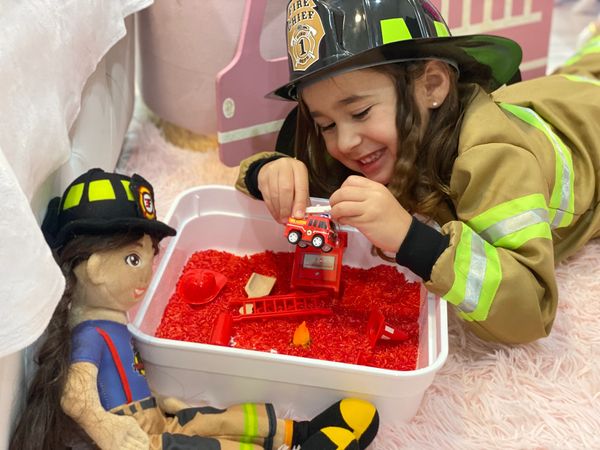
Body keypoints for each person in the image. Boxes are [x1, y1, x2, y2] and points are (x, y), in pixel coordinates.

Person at [235, 0, 600, 344]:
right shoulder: (375, 138)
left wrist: (412, 240)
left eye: (360, 113)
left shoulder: (494, 160)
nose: (344, 142)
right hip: (558, 93)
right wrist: (269, 171)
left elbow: (532, 308)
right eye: (326, 125)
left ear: (432, 85)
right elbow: (303, 166)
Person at [9, 168, 379, 450]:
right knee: (206, 445)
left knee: (208, 418)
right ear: (93, 268)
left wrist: (157, 400)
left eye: (151, 256)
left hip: (151, 418)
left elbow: (126, 377)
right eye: (134, 258)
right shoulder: (90, 335)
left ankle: (297, 430)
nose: (149, 271)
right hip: (133, 437)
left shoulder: (115, 325)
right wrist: (107, 430)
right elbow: (77, 395)